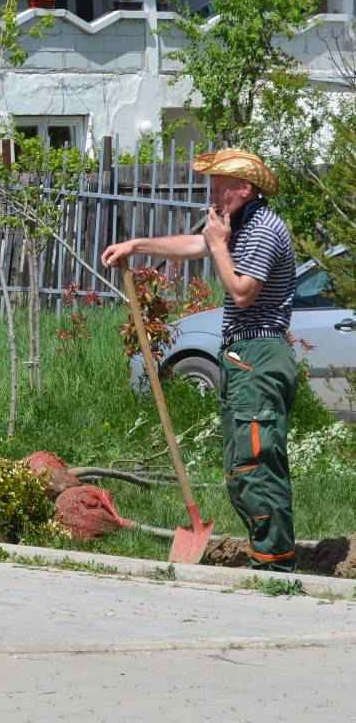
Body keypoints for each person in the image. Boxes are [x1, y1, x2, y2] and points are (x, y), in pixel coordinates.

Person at [102, 148, 298, 571]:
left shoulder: (263, 229)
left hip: (260, 353)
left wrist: (217, 244)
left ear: (244, 189)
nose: (211, 192)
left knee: (256, 460)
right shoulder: (238, 225)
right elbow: (196, 244)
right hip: (242, 355)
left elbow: (243, 292)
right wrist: (136, 245)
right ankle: (268, 555)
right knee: (239, 463)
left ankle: (276, 566)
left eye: (219, 184)